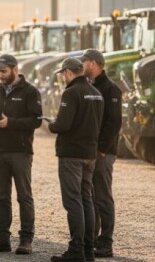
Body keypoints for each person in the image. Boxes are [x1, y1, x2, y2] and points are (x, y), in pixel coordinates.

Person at [0, 54, 42, 255]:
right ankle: (2, 238)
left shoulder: (30, 92)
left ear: (15, 69)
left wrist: (11, 123)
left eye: (3, 71)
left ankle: (26, 239)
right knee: (1, 197)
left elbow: (36, 121)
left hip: (20, 151)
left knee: (24, 196)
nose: (0, 75)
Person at [48, 58, 104, 262]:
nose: (63, 78)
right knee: (87, 200)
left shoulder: (71, 93)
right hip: (90, 154)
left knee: (73, 201)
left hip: (71, 154)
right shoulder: (97, 94)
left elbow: (63, 124)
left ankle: (75, 250)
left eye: (63, 74)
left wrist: (51, 124)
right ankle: (89, 250)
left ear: (68, 73)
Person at [81, 49, 122, 259]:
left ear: (95, 63)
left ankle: (106, 243)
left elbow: (114, 122)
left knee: (103, 197)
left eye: (85, 62)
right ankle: (93, 240)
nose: (82, 65)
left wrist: (102, 150)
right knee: (91, 196)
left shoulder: (110, 89)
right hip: (90, 151)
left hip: (103, 153)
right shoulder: (88, 86)